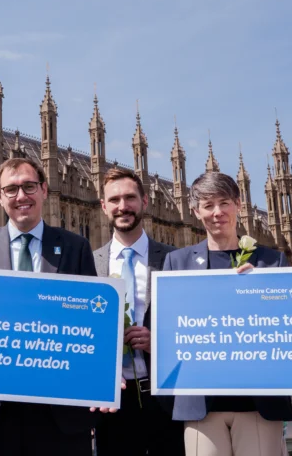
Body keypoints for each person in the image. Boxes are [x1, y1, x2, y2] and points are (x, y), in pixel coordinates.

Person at [0, 156, 98, 456]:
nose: (21, 196)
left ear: (44, 190)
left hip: (58, 413)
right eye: (11, 190)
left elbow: (92, 326)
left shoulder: (75, 246)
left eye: (28, 186)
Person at [164, 171, 292, 456]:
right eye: (208, 205)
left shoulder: (271, 261)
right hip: (202, 404)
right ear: (195, 211)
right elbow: (168, 329)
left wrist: (264, 290)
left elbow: (290, 326)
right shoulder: (177, 262)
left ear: (238, 203)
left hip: (258, 403)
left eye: (224, 202)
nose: (217, 212)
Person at [92, 168, 185, 456]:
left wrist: (159, 341)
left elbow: (195, 325)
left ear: (145, 202)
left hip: (166, 397)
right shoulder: (89, 264)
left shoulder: (175, 260)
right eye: (115, 199)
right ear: (104, 206)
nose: (123, 206)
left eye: (130, 198)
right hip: (112, 401)